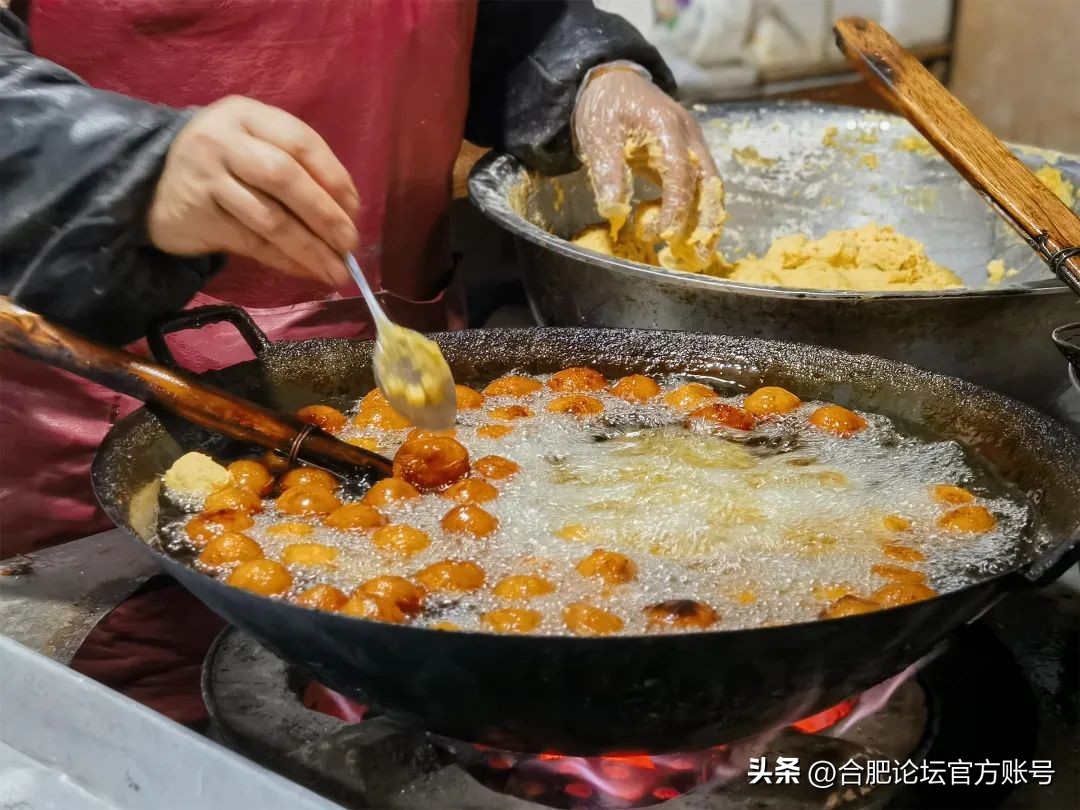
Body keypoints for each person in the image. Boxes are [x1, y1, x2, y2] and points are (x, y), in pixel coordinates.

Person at [0, 0, 723, 725]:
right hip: (102, 403)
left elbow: (501, 20)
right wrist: (123, 166)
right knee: (141, 742)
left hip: (398, 393)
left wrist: (588, 71)